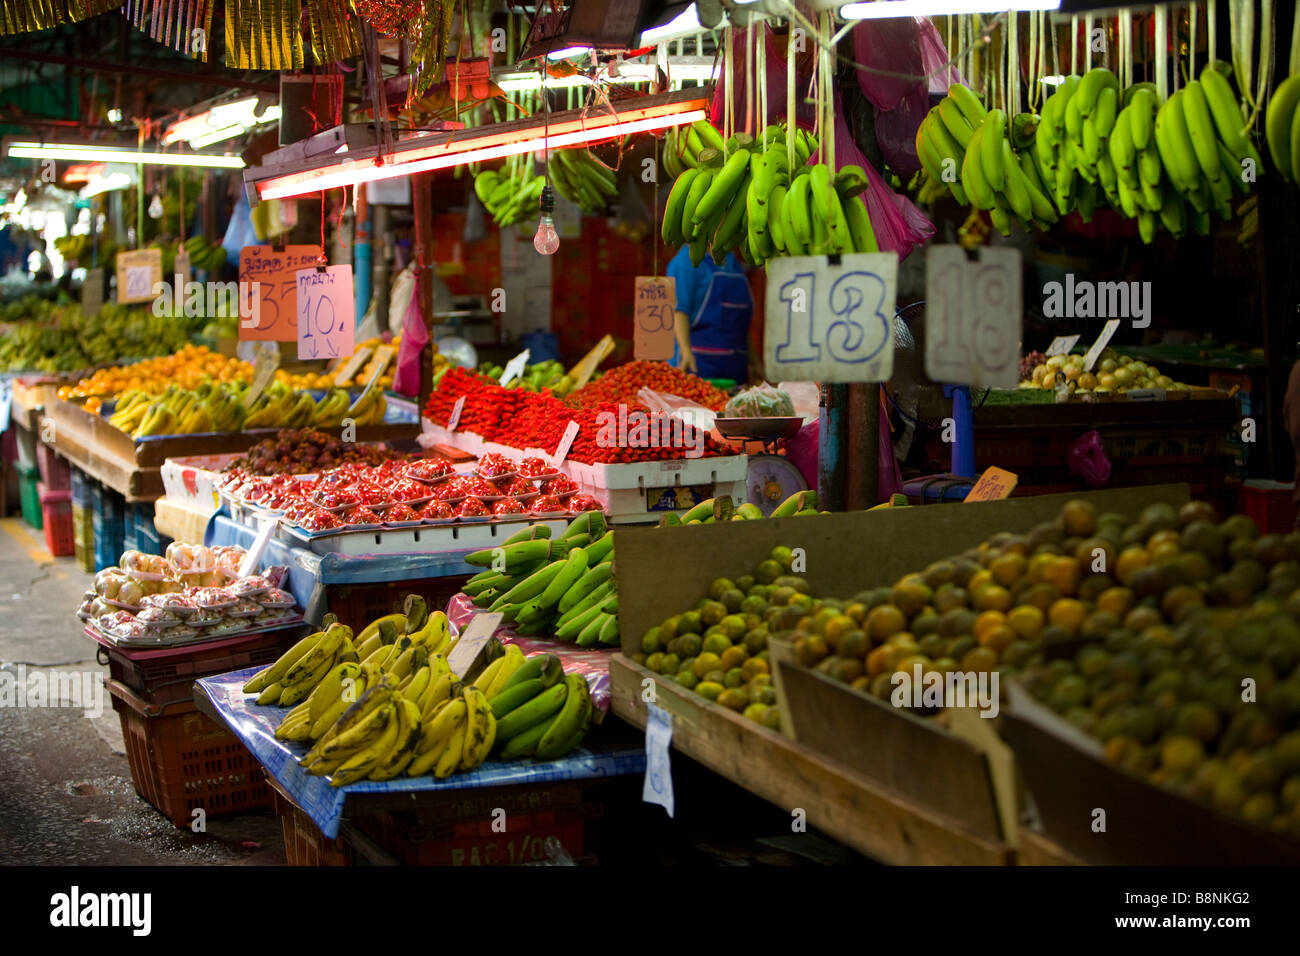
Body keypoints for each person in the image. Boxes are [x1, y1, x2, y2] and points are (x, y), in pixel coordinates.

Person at [666, 245, 753, 383]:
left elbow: (739, 323)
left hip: (736, 365)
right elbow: (679, 311)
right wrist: (686, 352)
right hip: (698, 363)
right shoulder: (686, 261)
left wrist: (755, 362)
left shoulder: (732, 261)